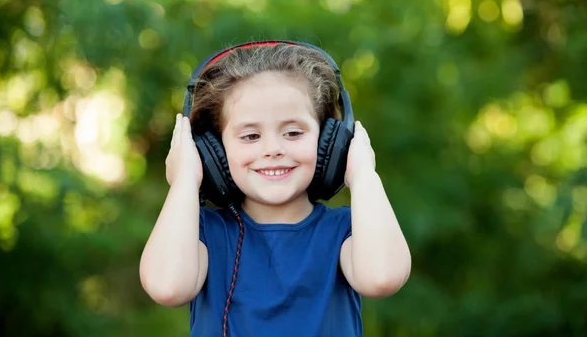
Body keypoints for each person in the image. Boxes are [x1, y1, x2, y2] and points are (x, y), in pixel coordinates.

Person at [139, 41, 411, 337]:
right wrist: (185, 180)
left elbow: (383, 278)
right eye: (251, 135)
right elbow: (167, 287)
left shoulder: (346, 232)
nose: (272, 149)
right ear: (212, 150)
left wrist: (363, 175)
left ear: (329, 143)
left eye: (293, 132)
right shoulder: (202, 233)